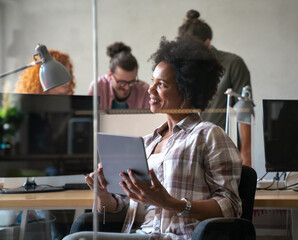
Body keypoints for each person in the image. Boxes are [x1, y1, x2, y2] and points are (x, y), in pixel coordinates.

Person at [68, 37, 242, 240]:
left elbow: (231, 207)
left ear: (186, 91)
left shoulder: (208, 135)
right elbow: (127, 209)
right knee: (80, 231)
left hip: (175, 237)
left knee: (77, 238)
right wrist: (103, 194)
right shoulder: (147, 142)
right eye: (153, 82)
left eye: (161, 84)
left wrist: (171, 203)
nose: (150, 90)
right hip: (137, 234)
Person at [178, 10, 253, 167]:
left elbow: (244, 109)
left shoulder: (233, 63)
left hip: (222, 147)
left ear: (207, 43)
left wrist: (246, 156)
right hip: (186, 147)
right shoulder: (178, 67)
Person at [15, 49, 76, 240]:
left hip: (61, 171)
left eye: (67, 74)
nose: (67, 81)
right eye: (61, 75)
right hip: (38, 174)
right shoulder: (29, 111)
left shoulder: (68, 105)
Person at [88, 42, 150, 110]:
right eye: (122, 82)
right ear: (110, 74)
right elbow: (89, 118)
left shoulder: (144, 90)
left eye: (132, 82)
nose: (127, 88)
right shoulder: (97, 87)